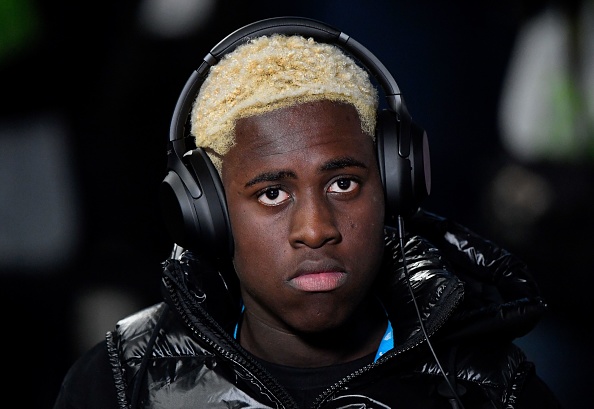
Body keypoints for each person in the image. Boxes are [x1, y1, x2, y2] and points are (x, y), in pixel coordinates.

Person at [53, 16, 562, 409]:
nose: (316, 230)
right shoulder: (119, 383)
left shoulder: (494, 389)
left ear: (393, 186)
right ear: (206, 212)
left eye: (343, 183)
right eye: (272, 193)